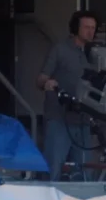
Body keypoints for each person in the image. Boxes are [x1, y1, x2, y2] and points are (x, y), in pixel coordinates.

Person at [37, 11, 96, 181]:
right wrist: (47, 83)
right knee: (53, 167)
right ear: (75, 28)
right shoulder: (60, 49)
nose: (90, 31)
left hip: (83, 119)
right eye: (86, 27)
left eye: (93, 28)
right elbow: (41, 77)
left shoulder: (94, 55)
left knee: (85, 172)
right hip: (59, 119)